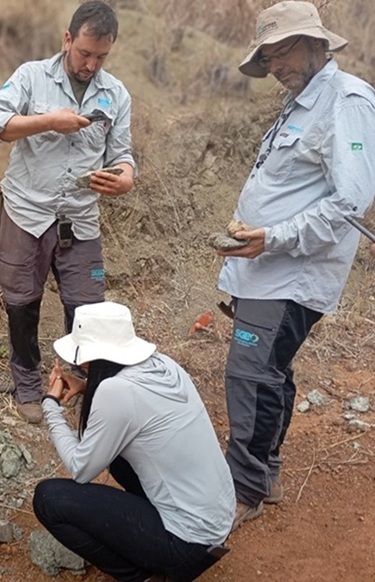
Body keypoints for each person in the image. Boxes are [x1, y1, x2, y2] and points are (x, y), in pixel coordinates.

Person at [215, 1, 375, 531]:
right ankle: (268, 471)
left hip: (291, 272)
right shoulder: (300, 99)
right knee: (270, 373)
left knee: (250, 374)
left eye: (282, 50)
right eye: (267, 55)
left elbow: (352, 202)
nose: (275, 64)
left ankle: (244, 490)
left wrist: (274, 237)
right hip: (264, 267)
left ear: (315, 43)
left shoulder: (347, 102)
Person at [0, 0, 136, 423]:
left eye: (101, 56)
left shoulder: (115, 93)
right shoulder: (31, 77)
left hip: (80, 218)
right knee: (21, 303)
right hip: (27, 211)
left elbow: (122, 155)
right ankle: (28, 384)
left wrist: (124, 178)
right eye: (84, 53)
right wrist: (48, 121)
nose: (90, 64)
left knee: (87, 309)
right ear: (68, 39)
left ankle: (76, 379)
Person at [32, 302, 235, 582]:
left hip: (187, 545)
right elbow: (130, 407)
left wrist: (51, 404)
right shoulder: (165, 365)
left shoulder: (116, 392)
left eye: (81, 361)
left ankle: (139, 577)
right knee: (114, 455)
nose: (78, 366)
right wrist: (86, 386)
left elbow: (81, 469)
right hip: (217, 522)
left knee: (48, 499)